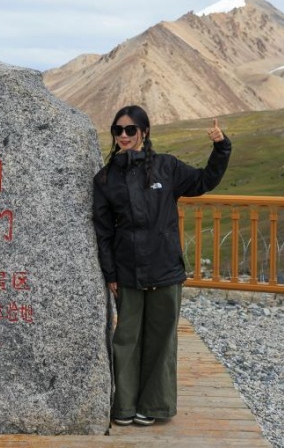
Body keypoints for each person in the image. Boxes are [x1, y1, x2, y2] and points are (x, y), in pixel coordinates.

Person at [92, 104, 231, 426]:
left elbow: (204, 181)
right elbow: (103, 231)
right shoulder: (105, 178)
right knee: (126, 340)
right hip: (127, 272)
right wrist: (110, 273)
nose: (123, 136)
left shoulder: (166, 168)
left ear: (144, 132)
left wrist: (221, 146)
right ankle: (123, 406)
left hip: (165, 270)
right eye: (118, 130)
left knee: (161, 340)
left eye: (130, 130)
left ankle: (154, 406)